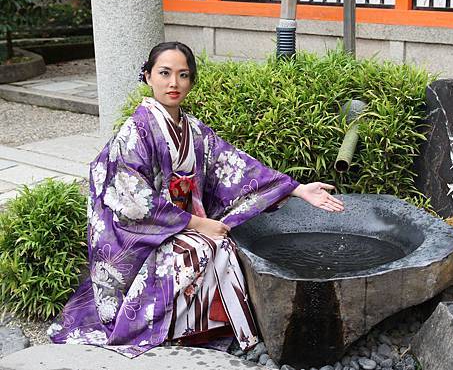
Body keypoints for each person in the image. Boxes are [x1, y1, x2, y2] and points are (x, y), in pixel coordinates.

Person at [47, 41, 344, 357]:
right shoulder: (136, 130)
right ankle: (158, 328)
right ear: (148, 76)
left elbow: (235, 165)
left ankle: (204, 330)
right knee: (204, 248)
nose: (173, 83)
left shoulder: (194, 130)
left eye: (183, 75)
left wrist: (295, 189)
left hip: (181, 222)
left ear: (191, 81)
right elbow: (134, 201)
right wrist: (197, 223)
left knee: (223, 247)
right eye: (164, 73)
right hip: (145, 234)